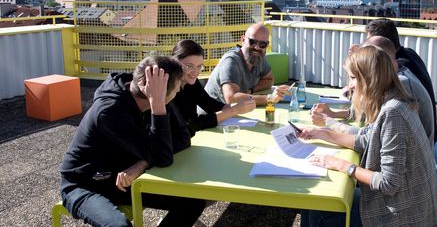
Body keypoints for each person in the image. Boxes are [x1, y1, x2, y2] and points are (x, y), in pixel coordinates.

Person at [299, 46, 437, 226]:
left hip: (406, 217)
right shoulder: (392, 99)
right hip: (409, 205)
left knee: (319, 214)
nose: (350, 85)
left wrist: (341, 165)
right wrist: (321, 133)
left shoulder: (393, 113)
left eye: (353, 78)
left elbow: (389, 183)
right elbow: (366, 139)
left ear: (369, 79)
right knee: (313, 202)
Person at [59, 55, 206, 227]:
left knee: (192, 202)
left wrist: (141, 164)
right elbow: (162, 157)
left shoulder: (156, 98)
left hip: (121, 177)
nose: (179, 91)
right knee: (119, 226)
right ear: (149, 88)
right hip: (84, 183)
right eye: (177, 87)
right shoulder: (109, 112)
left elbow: (183, 138)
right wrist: (158, 104)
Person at [312, 36, 435, 145]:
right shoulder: (397, 75)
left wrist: (328, 124)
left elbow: (368, 139)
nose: (350, 85)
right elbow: (367, 114)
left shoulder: (400, 87)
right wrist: (333, 114)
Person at [365, 18, 437, 142]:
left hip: (421, 142)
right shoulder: (410, 54)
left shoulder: (399, 69)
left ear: (381, 44)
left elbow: (373, 104)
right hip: (427, 134)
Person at [171, 39, 256, 131]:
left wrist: (238, 106)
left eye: (199, 66)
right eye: (189, 66)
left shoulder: (190, 81)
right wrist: (233, 110)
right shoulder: (169, 88)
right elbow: (192, 125)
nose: (195, 72)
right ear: (175, 63)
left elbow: (209, 103)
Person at [205, 23, 289, 106]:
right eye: (252, 42)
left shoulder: (259, 57)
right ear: (243, 40)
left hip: (232, 113)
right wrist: (269, 98)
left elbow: (269, 79)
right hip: (212, 115)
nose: (257, 48)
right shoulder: (231, 61)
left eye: (262, 44)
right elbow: (231, 99)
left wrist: (251, 90)